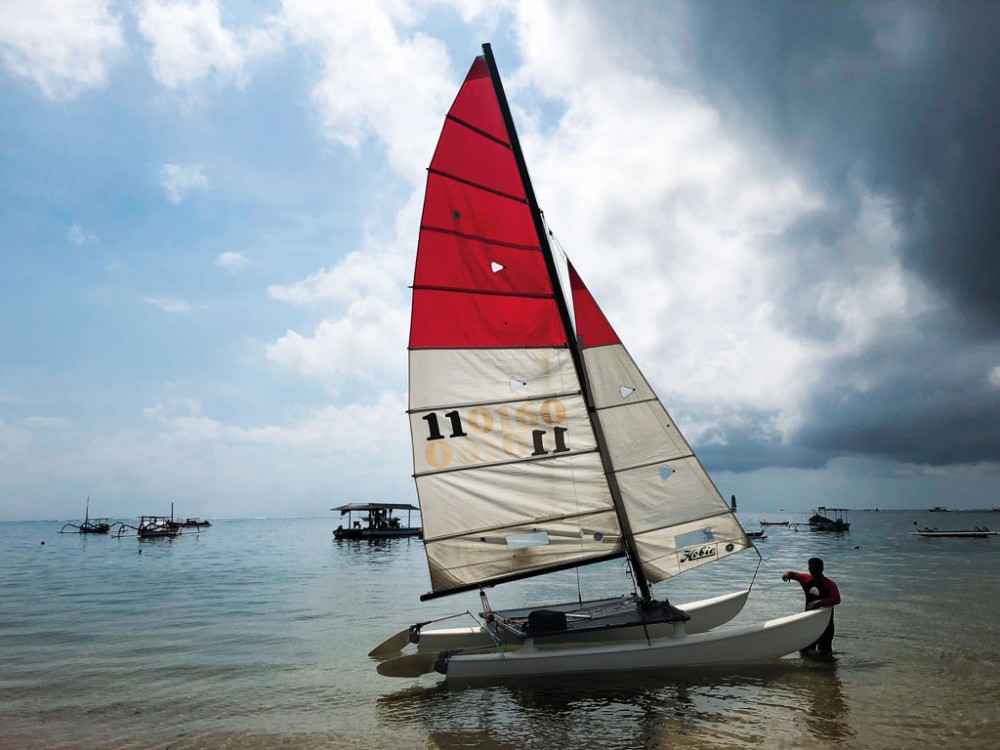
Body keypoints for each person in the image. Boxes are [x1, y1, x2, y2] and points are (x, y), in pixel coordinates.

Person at [782, 557, 841, 654]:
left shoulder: (829, 583)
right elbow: (792, 574)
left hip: (826, 624)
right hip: (809, 622)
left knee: (825, 654)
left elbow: (837, 599)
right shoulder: (806, 579)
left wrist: (820, 602)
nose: (813, 571)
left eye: (816, 568)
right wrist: (786, 574)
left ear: (822, 569)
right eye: (811, 568)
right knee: (805, 652)